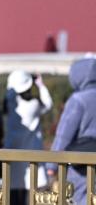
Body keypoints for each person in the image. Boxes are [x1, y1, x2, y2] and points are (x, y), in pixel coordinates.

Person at [48, 57, 96, 205]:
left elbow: (64, 135)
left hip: (82, 159)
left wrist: (52, 164)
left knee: (80, 195)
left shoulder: (78, 100)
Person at [4, 70, 52, 204]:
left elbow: (10, 94)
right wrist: (40, 85)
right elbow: (48, 104)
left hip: (12, 156)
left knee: (13, 196)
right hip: (32, 156)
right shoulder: (34, 105)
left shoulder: (9, 105)